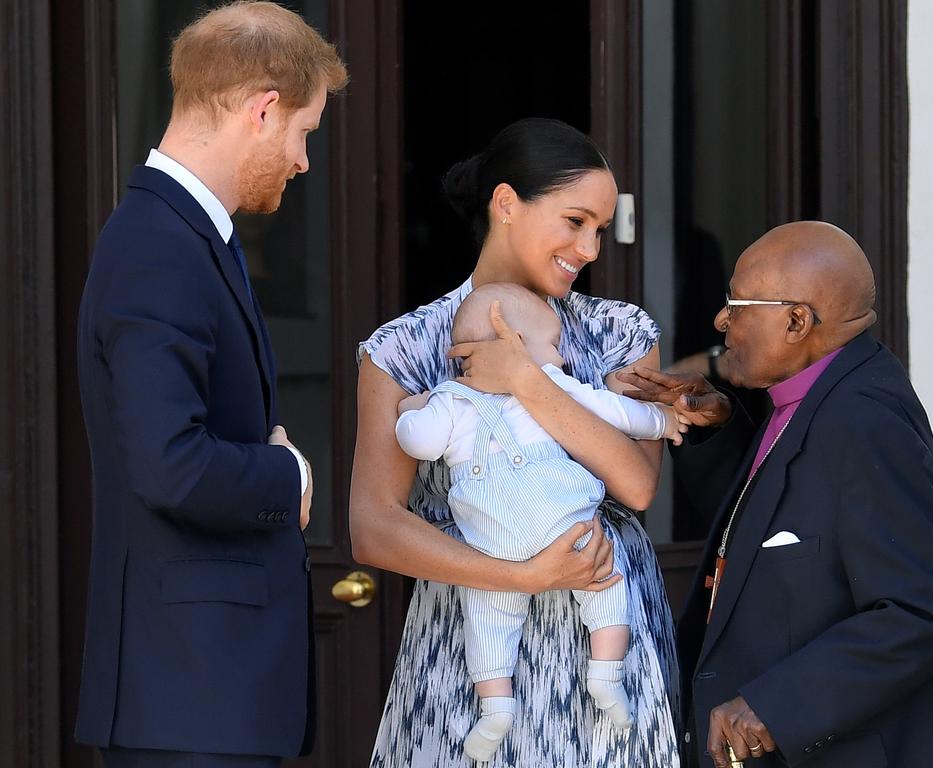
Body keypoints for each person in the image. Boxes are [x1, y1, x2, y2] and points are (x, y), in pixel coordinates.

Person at [351, 117, 683, 767]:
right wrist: (522, 576)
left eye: (599, 229)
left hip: (604, 647)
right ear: (506, 204)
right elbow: (373, 526)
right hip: (471, 654)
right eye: (575, 221)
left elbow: (638, 487)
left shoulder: (620, 331)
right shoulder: (405, 348)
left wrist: (529, 382)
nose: (590, 248)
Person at [75, 4, 348, 766]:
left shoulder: (187, 238)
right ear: (263, 111)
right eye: (304, 135)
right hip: (186, 707)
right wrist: (285, 472)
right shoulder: (159, 245)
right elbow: (170, 463)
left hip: (205, 702)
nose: (301, 161)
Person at [620, 221, 933, 767]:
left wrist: (774, 706)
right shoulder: (807, 394)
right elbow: (783, 529)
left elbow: (924, 608)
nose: (720, 320)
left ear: (795, 320)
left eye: (736, 304)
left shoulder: (865, 418)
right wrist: (718, 428)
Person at [395, 282, 687, 761]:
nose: (564, 359)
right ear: (514, 341)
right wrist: (662, 423)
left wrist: (410, 412)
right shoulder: (556, 386)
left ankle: (495, 711)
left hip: (491, 546)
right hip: (564, 524)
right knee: (605, 585)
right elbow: (618, 413)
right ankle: (606, 674)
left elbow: (419, 443)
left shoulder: (449, 401)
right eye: (554, 345)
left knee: (486, 624)